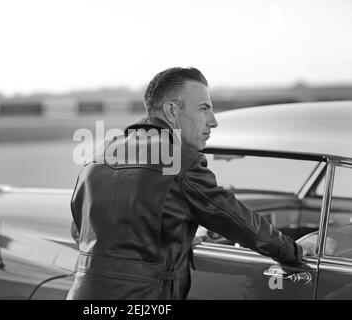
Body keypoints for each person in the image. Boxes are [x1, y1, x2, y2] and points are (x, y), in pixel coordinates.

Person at [67, 67, 310, 300]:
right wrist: (294, 253)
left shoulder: (99, 154)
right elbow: (239, 222)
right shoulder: (181, 161)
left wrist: (174, 235)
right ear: (172, 111)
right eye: (204, 109)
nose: (213, 121)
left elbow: (80, 231)